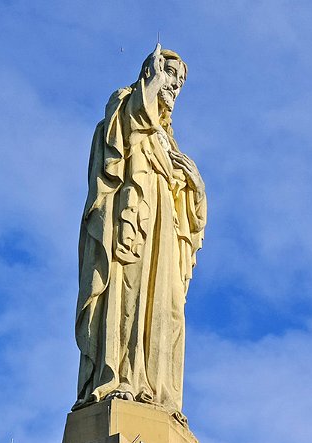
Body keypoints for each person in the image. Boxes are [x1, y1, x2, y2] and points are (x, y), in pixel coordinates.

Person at [73, 47, 206, 419]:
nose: (174, 86)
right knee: (129, 295)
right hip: (134, 226)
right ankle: (123, 380)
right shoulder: (126, 104)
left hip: (165, 232)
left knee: (168, 308)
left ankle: (159, 393)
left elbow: (192, 218)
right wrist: (151, 81)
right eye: (170, 75)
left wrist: (196, 184)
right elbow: (124, 131)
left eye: (180, 82)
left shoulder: (170, 143)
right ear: (153, 71)